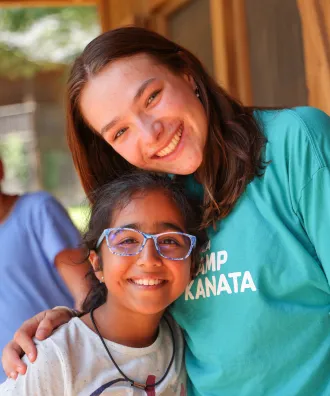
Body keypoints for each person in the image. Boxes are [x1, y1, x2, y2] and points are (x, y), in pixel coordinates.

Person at [2, 26, 330, 396]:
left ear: (187, 75)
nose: (149, 132)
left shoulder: (294, 142)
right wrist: (73, 330)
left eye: (152, 97)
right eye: (120, 132)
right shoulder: (156, 202)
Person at [0, 172, 206, 395]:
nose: (149, 260)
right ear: (97, 264)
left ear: (192, 263)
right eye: (127, 240)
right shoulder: (55, 358)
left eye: (168, 240)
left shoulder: (185, 337)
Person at [0, 157, 90, 382]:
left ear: (0, 168)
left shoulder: (37, 210)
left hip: (64, 371)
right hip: (13, 383)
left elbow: (87, 293)